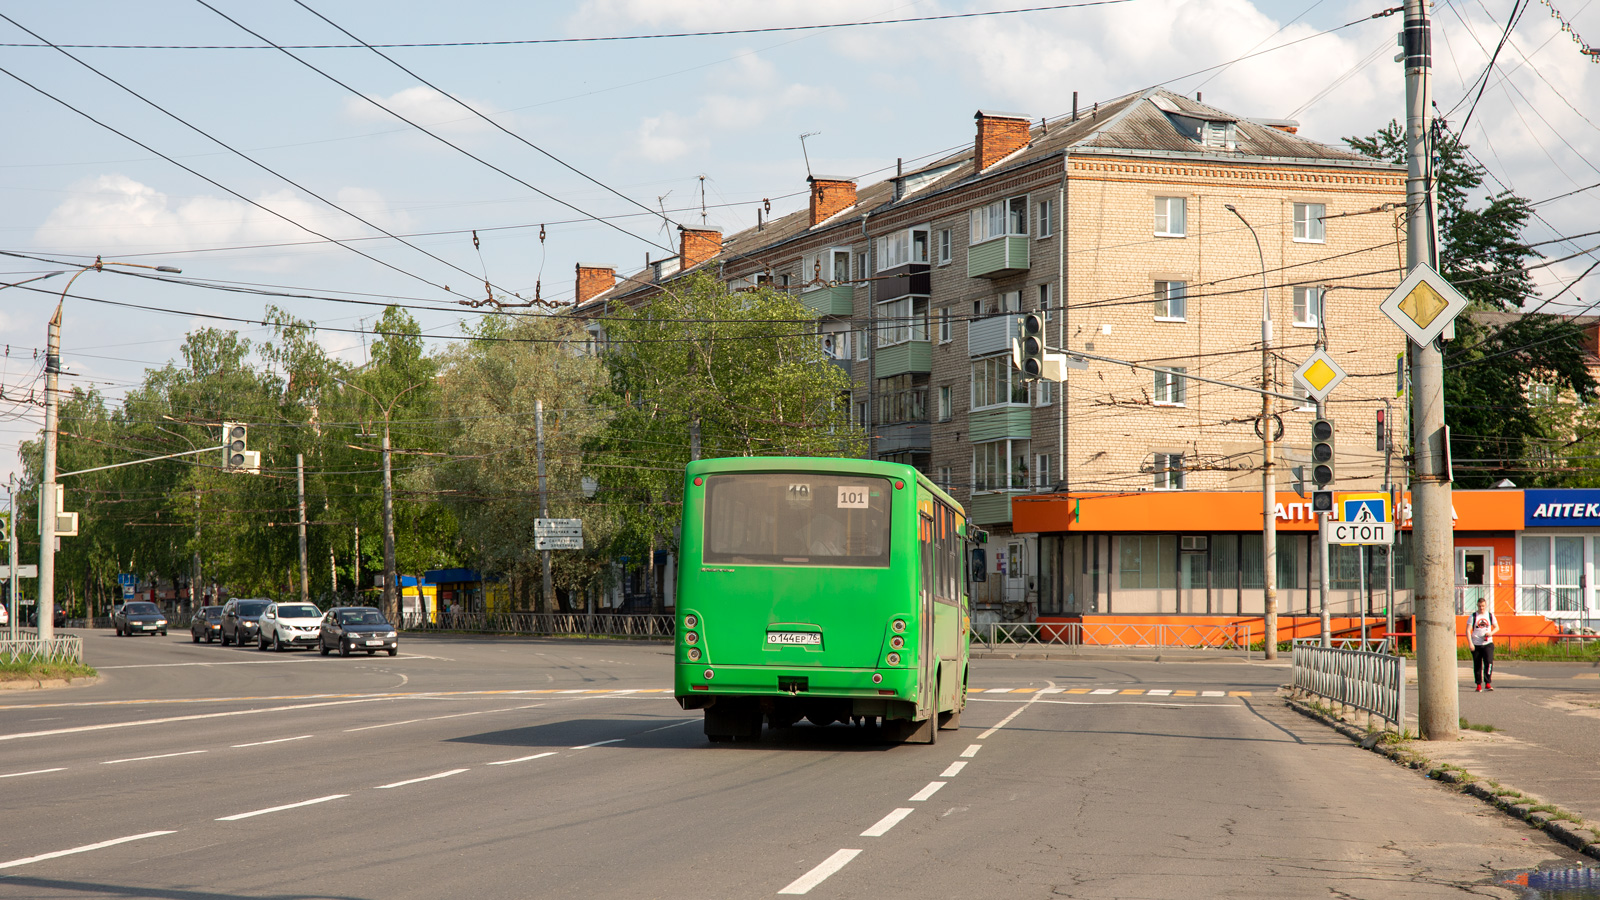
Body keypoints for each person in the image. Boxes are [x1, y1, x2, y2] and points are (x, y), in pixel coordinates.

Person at [1467, 597, 1497, 692]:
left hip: (1488, 643)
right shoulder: (1473, 616)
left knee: (1488, 662)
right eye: (1480, 606)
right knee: (1477, 664)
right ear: (1477, 605)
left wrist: (1490, 633)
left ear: (1485, 605)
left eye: (1483, 606)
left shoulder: (1490, 616)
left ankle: (1487, 683)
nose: (1481, 608)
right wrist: (1470, 643)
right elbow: (1468, 630)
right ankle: (1478, 684)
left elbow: (1497, 627)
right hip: (1476, 644)